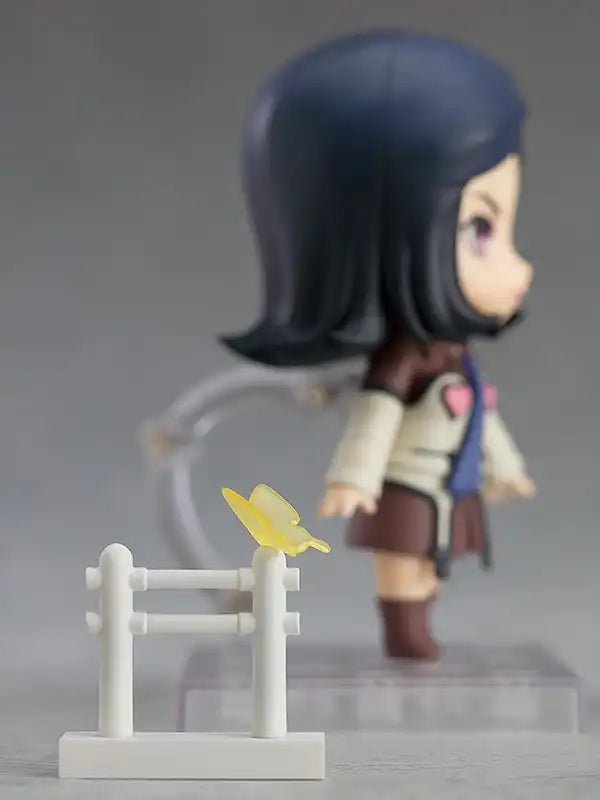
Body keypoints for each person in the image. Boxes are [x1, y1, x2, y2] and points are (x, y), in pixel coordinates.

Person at [222, 31, 536, 660]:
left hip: (449, 484)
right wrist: (354, 479)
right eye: (480, 229)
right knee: (404, 560)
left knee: (432, 562)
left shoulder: (455, 357)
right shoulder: (402, 362)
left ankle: (418, 621)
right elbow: (374, 421)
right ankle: (404, 628)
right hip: (406, 486)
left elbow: (481, 420)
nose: (518, 266)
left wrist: (505, 468)